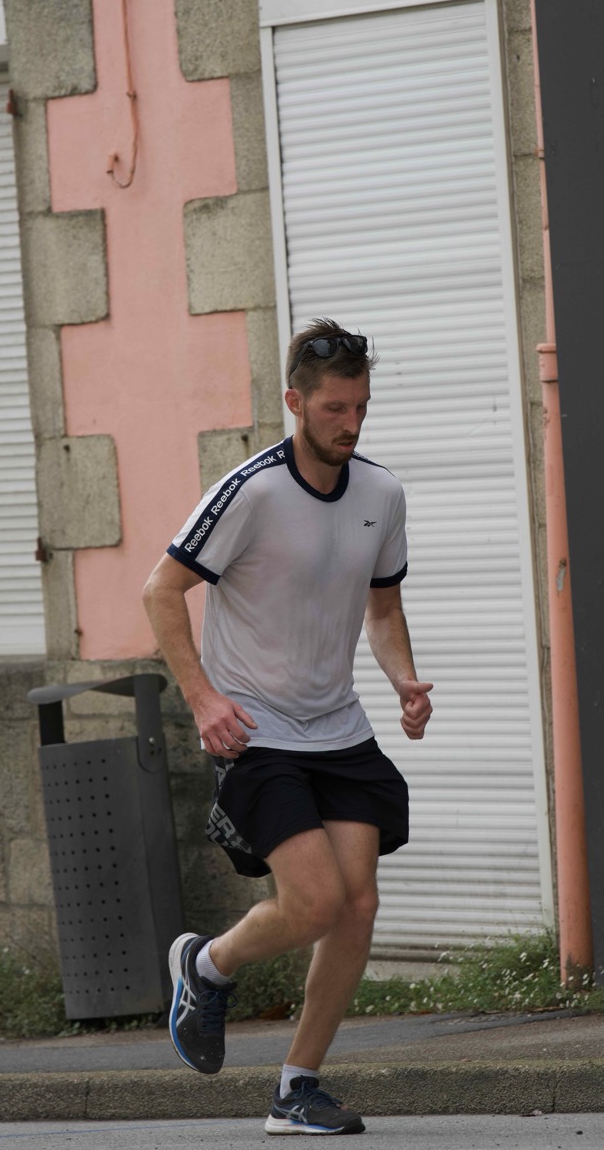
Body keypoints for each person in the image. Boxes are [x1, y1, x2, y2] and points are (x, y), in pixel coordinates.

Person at [142, 318, 433, 1136]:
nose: (350, 423)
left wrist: (402, 680)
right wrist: (204, 701)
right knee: (313, 903)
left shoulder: (380, 494)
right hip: (257, 730)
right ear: (295, 402)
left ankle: (296, 1089)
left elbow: (382, 608)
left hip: (337, 728)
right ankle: (206, 964)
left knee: (358, 905)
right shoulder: (251, 492)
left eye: (360, 407)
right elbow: (160, 591)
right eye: (335, 408)